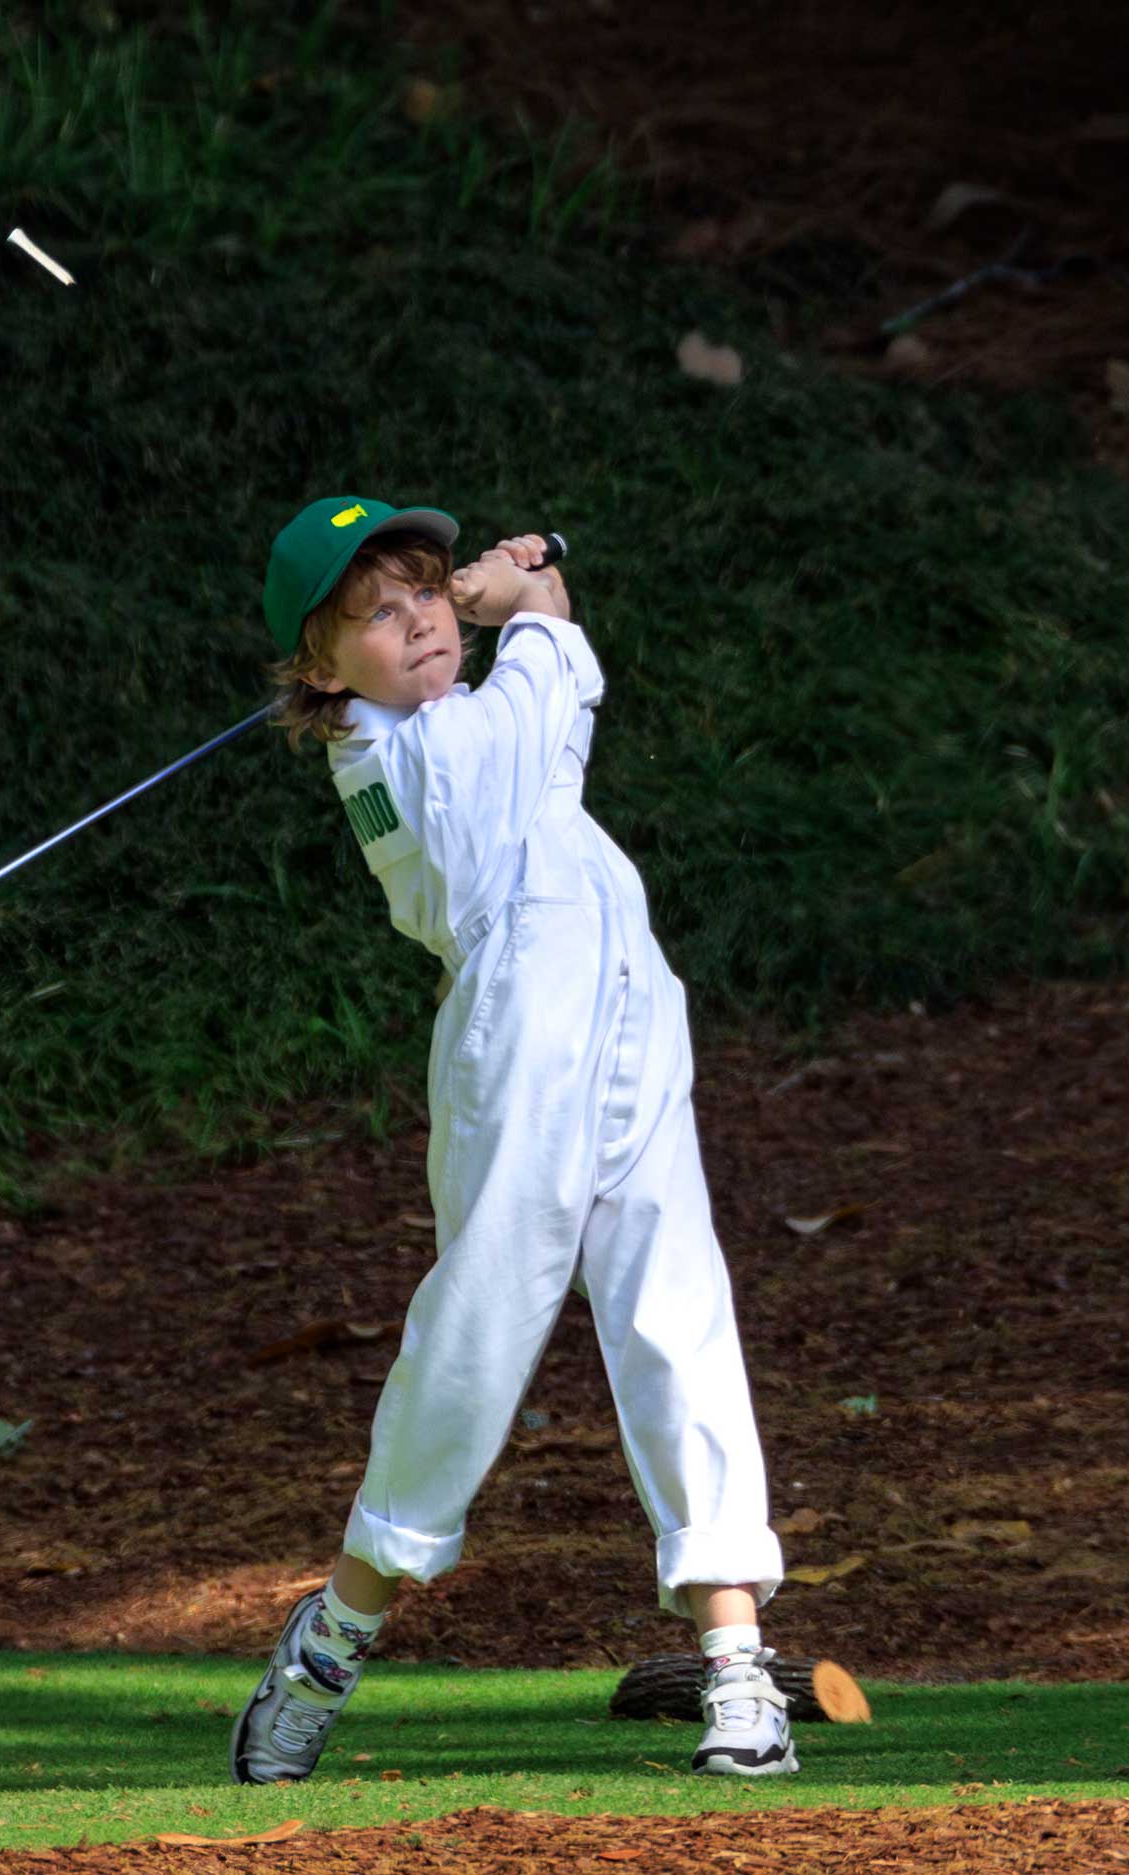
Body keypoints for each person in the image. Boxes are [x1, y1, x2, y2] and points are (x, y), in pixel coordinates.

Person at [231, 495, 793, 1784]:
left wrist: (496, 599)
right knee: (476, 1340)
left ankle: (735, 1666)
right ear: (323, 673)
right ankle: (331, 1639)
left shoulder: (464, 722)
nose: (418, 620)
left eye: (423, 590)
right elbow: (548, 653)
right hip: (520, 1024)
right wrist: (508, 593)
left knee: (678, 1311)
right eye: (377, 613)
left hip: (631, 1004)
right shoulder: (409, 758)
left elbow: (550, 665)